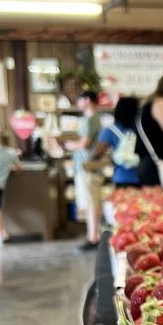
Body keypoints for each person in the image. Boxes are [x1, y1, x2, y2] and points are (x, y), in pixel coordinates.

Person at [65, 89, 103, 251]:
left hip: (87, 167)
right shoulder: (96, 119)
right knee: (95, 201)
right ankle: (96, 234)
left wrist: (69, 145)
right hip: (93, 167)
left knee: (91, 203)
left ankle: (92, 237)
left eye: (79, 100)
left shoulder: (89, 120)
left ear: (87, 100)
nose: (78, 103)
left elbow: (84, 144)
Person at [88, 96, 141, 188]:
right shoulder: (142, 129)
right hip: (144, 176)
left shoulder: (110, 130)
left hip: (122, 177)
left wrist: (113, 157)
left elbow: (96, 155)